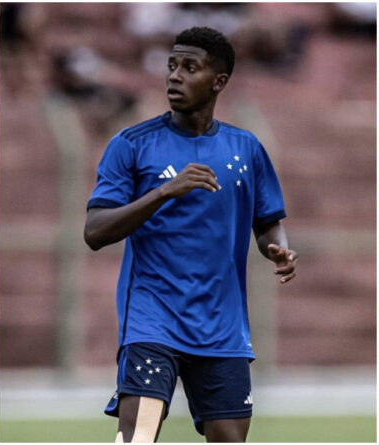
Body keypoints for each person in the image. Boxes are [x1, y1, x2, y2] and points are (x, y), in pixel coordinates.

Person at [84, 27, 298, 443]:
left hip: (222, 325)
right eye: (171, 66)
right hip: (153, 318)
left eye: (189, 67)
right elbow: (94, 231)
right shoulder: (131, 145)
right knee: (138, 437)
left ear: (218, 82)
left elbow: (267, 221)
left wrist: (279, 249)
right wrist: (164, 191)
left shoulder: (246, 149)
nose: (174, 76)